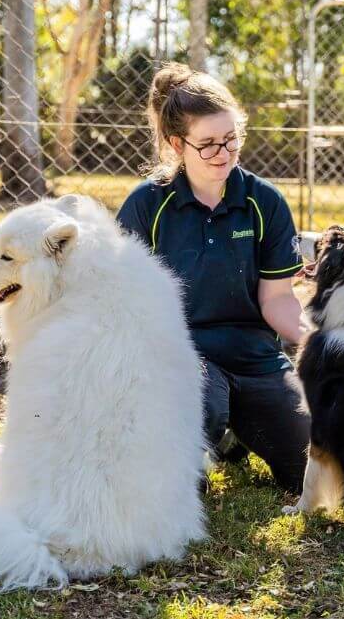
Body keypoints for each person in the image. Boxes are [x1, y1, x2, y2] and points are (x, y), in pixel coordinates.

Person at [116, 63, 309, 494]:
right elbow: (121, 301)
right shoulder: (147, 204)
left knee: (305, 464)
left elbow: (277, 298)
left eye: (230, 140)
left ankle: (237, 429)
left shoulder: (265, 202)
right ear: (175, 144)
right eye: (207, 144)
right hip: (181, 355)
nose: (222, 154)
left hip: (255, 356)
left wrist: (316, 340)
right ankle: (214, 428)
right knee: (194, 437)